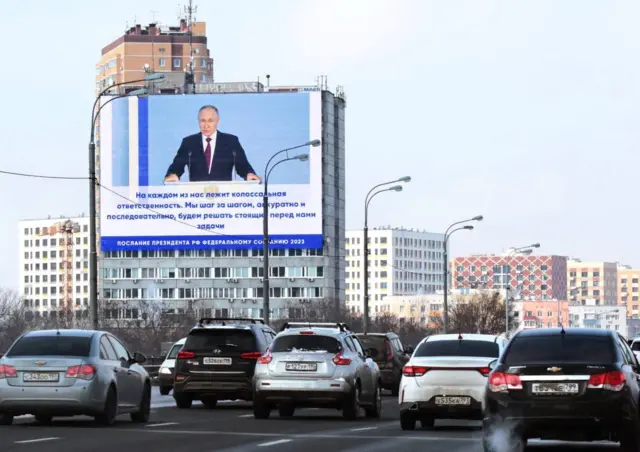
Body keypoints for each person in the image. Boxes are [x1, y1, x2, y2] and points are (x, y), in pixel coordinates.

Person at [164, 105, 261, 183]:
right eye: (203, 121)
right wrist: (172, 174)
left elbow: (243, 166)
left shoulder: (231, 141)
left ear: (217, 121)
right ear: (198, 121)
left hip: (224, 196)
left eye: (210, 121)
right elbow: (177, 166)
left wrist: (249, 174)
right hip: (196, 196)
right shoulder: (189, 142)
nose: (206, 125)